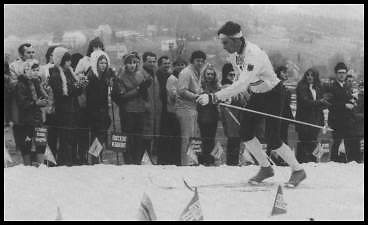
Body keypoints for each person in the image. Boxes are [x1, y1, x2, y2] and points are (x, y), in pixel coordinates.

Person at [197, 21, 306, 187]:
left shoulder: (253, 54)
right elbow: (238, 79)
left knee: (273, 138)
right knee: (245, 131)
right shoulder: (233, 55)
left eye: (225, 42)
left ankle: (298, 170)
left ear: (237, 40)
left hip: (274, 93)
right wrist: (228, 96)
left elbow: (242, 83)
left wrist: (214, 97)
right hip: (257, 94)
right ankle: (265, 168)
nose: (224, 46)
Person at [111, 53, 150, 164]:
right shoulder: (121, 77)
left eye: (134, 63)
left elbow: (145, 94)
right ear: (125, 64)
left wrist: (145, 88)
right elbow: (122, 96)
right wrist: (138, 89)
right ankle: (128, 160)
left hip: (140, 109)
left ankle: (137, 159)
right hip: (128, 110)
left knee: (139, 137)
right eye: (130, 63)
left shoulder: (140, 75)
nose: (132, 65)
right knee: (127, 136)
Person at [49, 47, 85, 166]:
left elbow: (74, 91)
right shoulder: (54, 73)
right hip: (63, 110)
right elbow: (62, 92)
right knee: (65, 137)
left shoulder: (69, 71)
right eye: (67, 60)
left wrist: (80, 85)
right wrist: (76, 86)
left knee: (71, 136)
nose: (70, 62)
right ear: (61, 60)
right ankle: (64, 161)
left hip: (73, 108)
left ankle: (69, 159)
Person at [15, 60, 48, 166]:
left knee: (41, 144)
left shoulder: (37, 83)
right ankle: (27, 170)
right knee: (27, 146)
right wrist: (36, 103)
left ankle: (40, 167)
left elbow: (44, 98)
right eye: (32, 70)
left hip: (38, 120)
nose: (35, 72)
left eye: (37, 70)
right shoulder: (20, 84)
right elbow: (22, 103)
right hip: (26, 122)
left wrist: (43, 101)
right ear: (25, 70)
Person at [85, 50, 114, 164]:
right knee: (97, 136)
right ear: (96, 63)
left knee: (101, 135)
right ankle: (95, 158)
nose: (104, 65)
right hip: (94, 111)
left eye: (105, 63)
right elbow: (91, 96)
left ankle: (97, 157)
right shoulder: (92, 76)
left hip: (103, 110)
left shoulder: (105, 76)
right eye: (101, 63)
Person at [177, 50, 206, 166]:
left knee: (193, 136)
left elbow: (197, 89)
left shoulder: (197, 72)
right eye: (198, 61)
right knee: (187, 137)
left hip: (193, 108)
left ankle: (192, 160)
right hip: (184, 108)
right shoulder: (186, 72)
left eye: (202, 61)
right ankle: (185, 163)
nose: (200, 63)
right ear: (192, 61)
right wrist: (197, 97)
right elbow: (181, 90)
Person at [295, 68, 330, 163]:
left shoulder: (318, 88)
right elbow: (305, 102)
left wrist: (325, 103)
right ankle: (301, 162)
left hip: (315, 120)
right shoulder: (301, 86)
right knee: (303, 141)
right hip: (304, 120)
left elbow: (320, 103)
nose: (310, 77)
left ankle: (314, 161)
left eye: (312, 75)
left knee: (314, 141)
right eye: (308, 75)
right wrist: (320, 102)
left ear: (316, 77)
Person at [9, 43, 36, 159]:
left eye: (32, 52)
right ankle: (23, 156)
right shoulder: (13, 66)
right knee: (21, 130)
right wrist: (24, 78)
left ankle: (34, 157)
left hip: (34, 104)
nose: (31, 55)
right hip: (19, 104)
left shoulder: (36, 64)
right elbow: (12, 84)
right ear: (21, 54)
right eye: (28, 52)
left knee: (34, 133)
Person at [326, 62, 356, 163]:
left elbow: (350, 99)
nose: (342, 75)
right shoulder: (331, 87)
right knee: (336, 143)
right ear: (336, 74)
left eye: (344, 72)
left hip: (348, 120)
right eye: (339, 73)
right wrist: (344, 105)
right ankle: (334, 163)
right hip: (336, 120)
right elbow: (330, 104)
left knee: (349, 144)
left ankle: (348, 162)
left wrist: (352, 101)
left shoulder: (348, 86)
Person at [218, 63, 247, 166]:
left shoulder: (234, 85)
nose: (233, 77)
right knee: (233, 138)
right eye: (230, 75)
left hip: (236, 114)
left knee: (235, 139)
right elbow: (235, 98)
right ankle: (232, 162)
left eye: (234, 75)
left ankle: (233, 161)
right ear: (225, 75)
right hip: (230, 115)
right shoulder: (226, 86)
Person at [165, 58, 188, 165]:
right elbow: (173, 95)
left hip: (184, 111)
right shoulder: (172, 78)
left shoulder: (185, 77)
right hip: (173, 111)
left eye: (182, 64)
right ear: (174, 66)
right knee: (176, 137)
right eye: (178, 65)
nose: (180, 67)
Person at [197, 64, 220, 166]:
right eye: (208, 74)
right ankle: (202, 159)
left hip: (213, 115)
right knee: (203, 137)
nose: (210, 76)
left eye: (212, 74)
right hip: (202, 115)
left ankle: (210, 159)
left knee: (211, 138)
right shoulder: (200, 85)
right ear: (204, 75)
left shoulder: (217, 87)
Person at [141, 52, 161, 163]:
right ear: (144, 62)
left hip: (155, 110)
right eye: (150, 61)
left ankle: (151, 160)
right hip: (146, 111)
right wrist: (145, 105)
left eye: (154, 61)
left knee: (153, 136)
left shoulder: (155, 74)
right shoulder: (141, 74)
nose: (152, 64)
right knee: (145, 138)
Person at [41, 46, 58, 161]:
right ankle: (48, 159)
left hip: (59, 106)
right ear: (48, 56)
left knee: (57, 135)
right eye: (52, 55)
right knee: (48, 135)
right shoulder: (43, 69)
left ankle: (56, 158)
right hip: (47, 107)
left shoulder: (62, 69)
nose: (54, 58)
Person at [156, 55, 173, 164]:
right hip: (160, 107)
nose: (167, 65)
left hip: (168, 108)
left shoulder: (169, 76)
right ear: (159, 65)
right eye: (164, 63)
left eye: (168, 63)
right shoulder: (157, 75)